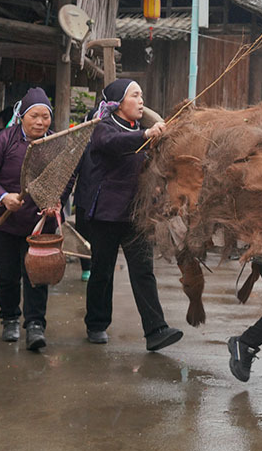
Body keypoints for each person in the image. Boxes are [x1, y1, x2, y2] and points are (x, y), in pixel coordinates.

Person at [84, 78, 182, 351]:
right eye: (135, 96)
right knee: (102, 272)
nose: (141, 101)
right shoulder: (103, 127)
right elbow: (113, 143)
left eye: (142, 96)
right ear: (118, 104)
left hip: (135, 214)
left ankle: (156, 329)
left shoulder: (139, 129)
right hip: (105, 213)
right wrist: (146, 136)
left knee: (143, 272)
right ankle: (96, 324)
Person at [0, 88, 61, 350]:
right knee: (7, 273)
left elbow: (65, 178)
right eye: (34, 116)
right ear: (21, 116)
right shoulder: (5, 139)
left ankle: (35, 324)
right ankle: (10, 318)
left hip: (39, 221)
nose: (40, 122)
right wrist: (3, 197)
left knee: (38, 273)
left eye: (45, 117)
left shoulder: (55, 142)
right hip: (4, 218)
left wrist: (55, 203)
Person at [73, 109, 97, 282]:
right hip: (83, 198)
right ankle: (86, 267)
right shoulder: (83, 146)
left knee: (99, 238)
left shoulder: (113, 143)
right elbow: (72, 173)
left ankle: (95, 266)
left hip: (102, 201)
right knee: (83, 235)